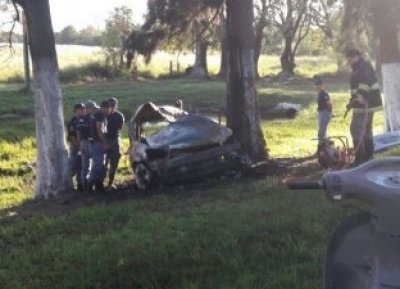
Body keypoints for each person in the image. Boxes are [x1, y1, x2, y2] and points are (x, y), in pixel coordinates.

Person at [345, 49, 382, 166]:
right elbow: (357, 89)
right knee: (366, 129)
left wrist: (361, 96)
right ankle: (368, 156)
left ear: (357, 57)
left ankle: (359, 159)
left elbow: (365, 83)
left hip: (365, 103)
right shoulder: (360, 67)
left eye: (350, 57)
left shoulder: (362, 68)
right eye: (348, 58)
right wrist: (352, 102)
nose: (349, 60)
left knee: (356, 129)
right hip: (368, 103)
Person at [86, 100, 109, 192]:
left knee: (98, 164)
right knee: (98, 165)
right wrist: (104, 143)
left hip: (94, 142)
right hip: (97, 143)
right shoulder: (100, 114)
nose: (108, 111)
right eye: (108, 109)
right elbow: (100, 129)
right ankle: (91, 185)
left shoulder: (95, 115)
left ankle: (98, 185)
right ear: (106, 108)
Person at [105, 97, 125, 189]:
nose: (110, 107)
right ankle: (100, 182)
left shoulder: (119, 116)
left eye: (112, 106)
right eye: (109, 105)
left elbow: (120, 127)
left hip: (114, 139)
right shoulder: (103, 115)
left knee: (114, 161)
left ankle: (110, 182)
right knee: (104, 162)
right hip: (105, 139)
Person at [67, 103, 85, 191]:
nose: (80, 112)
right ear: (75, 112)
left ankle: (80, 184)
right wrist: (78, 146)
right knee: (73, 164)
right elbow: (72, 137)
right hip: (75, 146)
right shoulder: (72, 122)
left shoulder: (84, 120)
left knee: (81, 165)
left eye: (82, 110)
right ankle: (69, 184)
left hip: (83, 146)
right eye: (79, 111)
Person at [314, 76, 332, 155]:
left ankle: (320, 149)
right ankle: (325, 148)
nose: (318, 86)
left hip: (325, 113)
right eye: (317, 85)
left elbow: (329, 104)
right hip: (321, 113)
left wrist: (329, 112)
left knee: (321, 132)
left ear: (322, 85)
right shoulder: (319, 94)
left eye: (319, 84)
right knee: (323, 132)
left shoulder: (324, 94)